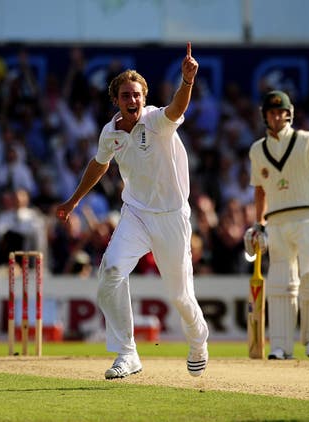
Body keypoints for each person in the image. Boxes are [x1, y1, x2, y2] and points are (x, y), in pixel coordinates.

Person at [56, 43, 209, 379]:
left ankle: (198, 338)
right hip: (136, 213)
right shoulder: (110, 132)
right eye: (126, 95)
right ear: (117, 100)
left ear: (145, 97)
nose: (133, 100)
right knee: (109, 273)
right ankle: (127, 354)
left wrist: (187, 82)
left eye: (137, 95)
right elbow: (99, 164)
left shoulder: (156, 121)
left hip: (171, 215)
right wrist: (74, 200)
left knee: (180, 296)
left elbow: (176, 108)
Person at [243, 90, 309, 360]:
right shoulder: (257, 150)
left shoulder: (307, 141)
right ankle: (281, 346)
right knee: (280, 283)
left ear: (289, 113)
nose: (277, 116)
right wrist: (259, 223)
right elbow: (260, 190)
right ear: (265, 116)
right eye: (272, 112)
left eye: (281, 112)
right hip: (277, 222)